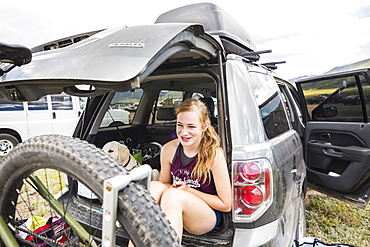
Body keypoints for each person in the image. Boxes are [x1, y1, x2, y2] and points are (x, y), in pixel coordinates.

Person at [150, 98, 232, 243]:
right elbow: (164, 183)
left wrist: (188, 190)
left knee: (173, 195)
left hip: (207, 214)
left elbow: (226, 204)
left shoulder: (213, 154)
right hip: (176, 204)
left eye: (191, 126)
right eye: (179, 125)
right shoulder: (169, 149)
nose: (184, 132)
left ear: (204, 126)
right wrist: (175, 189)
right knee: (154, 186)